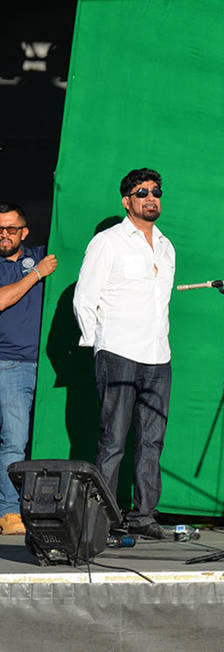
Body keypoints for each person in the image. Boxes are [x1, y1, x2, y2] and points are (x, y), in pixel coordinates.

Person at [73, 168, 175, 540]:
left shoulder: (166, 246)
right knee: (113, 439)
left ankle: (143, 515)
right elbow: (85, 298)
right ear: (126, 201)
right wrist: (99, 343)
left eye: (156, 192)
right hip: (118, 351)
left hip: (158, 355)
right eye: (142, 192)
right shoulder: (108, 242)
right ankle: (100, 517)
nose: (151, 197)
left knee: (152, 440)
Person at [0, 204, 57, 536]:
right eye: (0, 229)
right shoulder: (36, 266)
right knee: (14, 442)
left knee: (43, 441)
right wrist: (35, 274)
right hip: (10, 364)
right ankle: (9, 511)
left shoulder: (40, 253)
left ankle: (48, 508)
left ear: (24, 231)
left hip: (48, 366)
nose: (4, 234)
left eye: (11, 228)